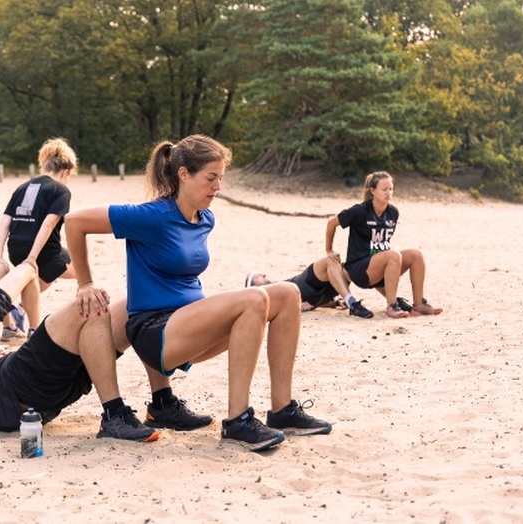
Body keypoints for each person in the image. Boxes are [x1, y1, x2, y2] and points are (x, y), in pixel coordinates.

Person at [64, 134, 332, 452]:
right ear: (183, 174)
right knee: (255, 298)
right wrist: (85, 283)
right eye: (210, 178)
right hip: (156, 332)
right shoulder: (151, 216)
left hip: (189, 325)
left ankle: (283, 410)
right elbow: (74, 221)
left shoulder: (205, 218)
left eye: (220, 178)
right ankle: (238, 421)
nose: (217, 186)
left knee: (287, 294)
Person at [0, 298, 164, 442]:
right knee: (87, 306)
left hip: (43, 387)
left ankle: (163, 403)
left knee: (133, 309)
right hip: (22, 381)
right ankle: (115, 415)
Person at [0, 137, 78, 340]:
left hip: (15, 249)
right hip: (43, 251)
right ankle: (31, 320)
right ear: (65, 171)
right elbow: (48, 224)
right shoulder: (61, 190)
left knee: (45, 274)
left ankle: (16, 313)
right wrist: (32, 257)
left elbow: (4, 223)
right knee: (80, 272)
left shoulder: (22, 187)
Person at [335, 171, 443, 318]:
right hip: (360, 270)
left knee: (416, 255)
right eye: (384, 189)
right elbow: (331, 223)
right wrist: (329, 250)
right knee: (393, 255)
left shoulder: (393, 212)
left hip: (380, 267)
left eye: (391, 189)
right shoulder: (359, 211)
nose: (388, 193)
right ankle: (392, 306)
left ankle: (419, 304)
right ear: (372, 190)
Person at [244, 255, 375, 318]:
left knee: (348, 270)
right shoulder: (265, 295)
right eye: (259, 276)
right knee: (330, 261)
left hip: (320, 297)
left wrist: (332, 304)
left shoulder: (272, 292)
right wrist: (294, 306)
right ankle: (352, 303)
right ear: (253, 287)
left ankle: (391, 302)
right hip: (303, 285)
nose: (264, 275)